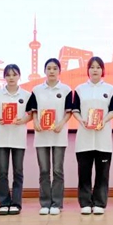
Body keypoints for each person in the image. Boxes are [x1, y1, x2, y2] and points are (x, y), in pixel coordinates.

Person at [72, 57, 113, 215]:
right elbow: (75, 110)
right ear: (88, 70)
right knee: (84, 173)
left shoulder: (110, 89)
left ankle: (99, 203)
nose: (95, 70)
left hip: (103, 138)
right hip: (84, 138)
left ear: (102, 70)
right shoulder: (80, 89)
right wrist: (82, 120)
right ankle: (85, 202)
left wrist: (103, 121)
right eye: (92, 67)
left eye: (98, 67)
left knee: (102, 173)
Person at [26, 58, 73, 215]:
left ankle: (57, 204)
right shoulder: (37, 90)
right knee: (44, 170)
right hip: (41, 135)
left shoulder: (66, 90)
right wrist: (35, 122)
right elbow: (33, 110)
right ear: (44, 71)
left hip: (59, 135)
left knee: (58, 170)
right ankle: (45, 203)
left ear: (59, 71)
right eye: (49, 68)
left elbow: (69, 112)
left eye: (55, 68)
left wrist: (62, 123)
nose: (52, 71)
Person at [0, 64, 31, 215]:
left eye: (14, 74)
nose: (11, 78)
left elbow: (31, 114)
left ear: (19, 76)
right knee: (2, 172)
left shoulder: (26, 95)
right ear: (4, 77)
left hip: (19, 137)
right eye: (8, 75)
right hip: (1, 137)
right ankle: (4, 203)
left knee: (18, 172)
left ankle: (16, 203)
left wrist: (23, 120)